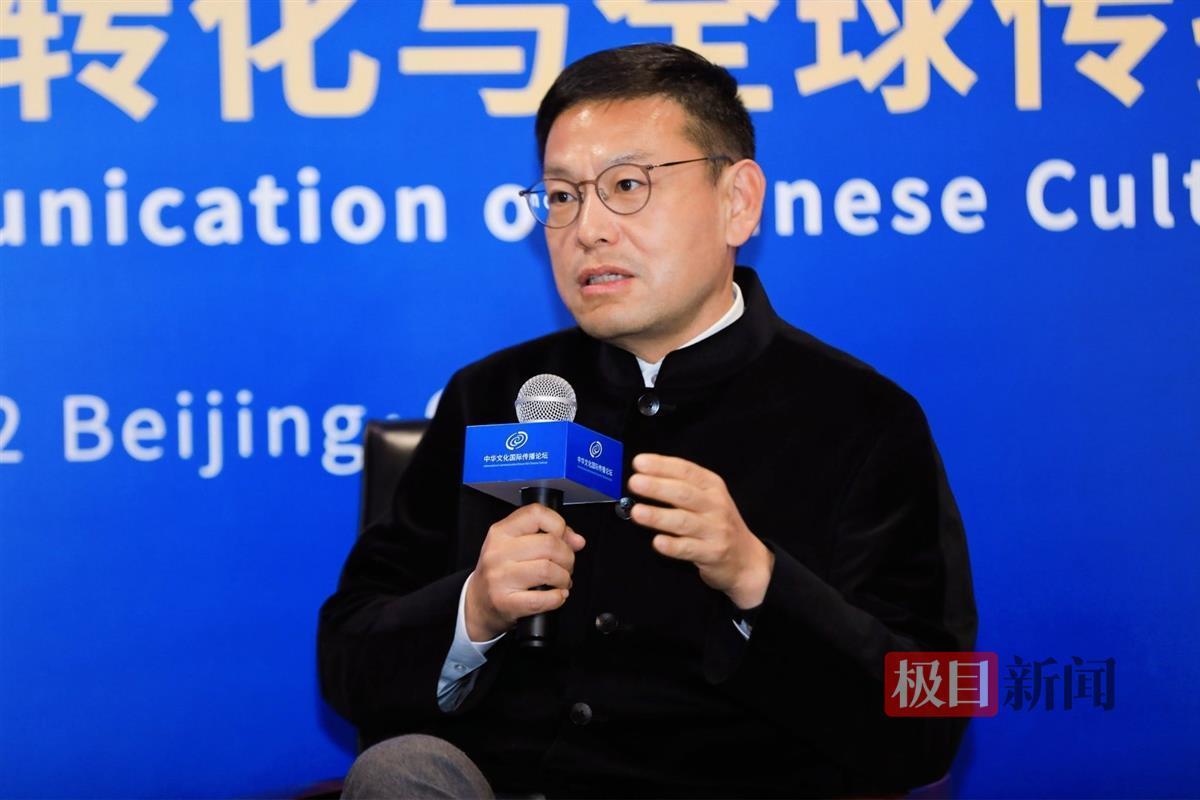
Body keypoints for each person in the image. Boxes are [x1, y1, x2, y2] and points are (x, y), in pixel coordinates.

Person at [318, 43, 976, 799]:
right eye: (561, 196)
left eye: (626, 185)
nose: (587, 229)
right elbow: (345, 656)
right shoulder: (489, 397)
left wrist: (759, 579)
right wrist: (475, 609)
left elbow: (938, 710)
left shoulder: (865, 418)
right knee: (401, 774)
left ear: (738, 201)